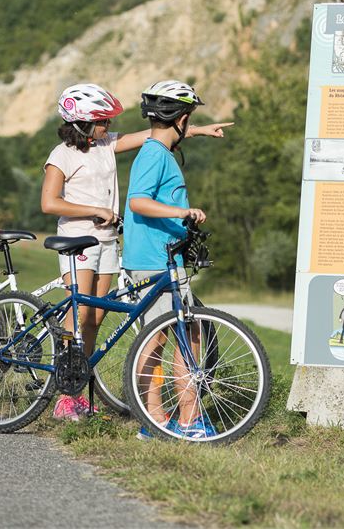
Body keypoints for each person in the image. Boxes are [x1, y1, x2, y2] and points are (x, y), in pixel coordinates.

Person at [41, 81, 230, 422]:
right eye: (102, 122)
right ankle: (65, 395)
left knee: (96, 317)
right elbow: (49, 202)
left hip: (109, 241)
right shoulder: (62, 155)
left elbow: (155, 132)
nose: (109, 127)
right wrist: (94, 210)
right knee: (80, 314)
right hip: (78, 239)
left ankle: (81, 387)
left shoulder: (103, 145)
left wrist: (198, 129)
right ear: (82, 122)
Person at [122, 79, 229, 440]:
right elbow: (138, 201)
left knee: (169, 335)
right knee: (178, 336)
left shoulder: (156, 151)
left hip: (159, 257)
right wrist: (184, 212)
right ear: (181, 118)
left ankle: (156, 417)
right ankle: (184, 420)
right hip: (154, 259)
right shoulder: (154, 155)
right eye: (190, 117)